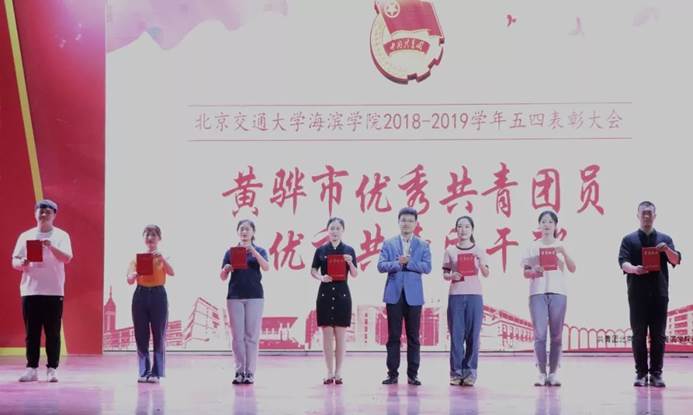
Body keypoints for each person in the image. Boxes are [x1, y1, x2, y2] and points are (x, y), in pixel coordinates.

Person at [618, 201, 681, 387]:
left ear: (655, 216)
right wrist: (634, 269)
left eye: (649, 213)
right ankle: (640, 374)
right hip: (637, 294)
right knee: (638, 335)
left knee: (658, 335)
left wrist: (666, 249)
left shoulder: (665, 239)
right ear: (637, 215)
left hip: (659, 294)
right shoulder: (629, 239)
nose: (646, 216)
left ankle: (656, 374)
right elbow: (623, 263)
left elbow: (676, 260)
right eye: (643, 213)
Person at [12, 199, 73, 383]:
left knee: (53, 333)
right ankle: (31, 369)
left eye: (48, 211)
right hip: (30, 290)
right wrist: (21, 263)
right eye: (41, 211)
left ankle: (52, 369)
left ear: (54, 215)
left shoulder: (61, 235)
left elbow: (67, 258)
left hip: (53, 291)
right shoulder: (25, 235)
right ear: (35, 213)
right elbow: (14, 261)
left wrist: (50, 246)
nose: (44, 214)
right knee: (32, 333)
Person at [378, 207, 431, 386]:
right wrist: (397, 263)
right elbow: (381, 266)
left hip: (414, 296)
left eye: (410, 220)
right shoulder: (389, 243)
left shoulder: (423, 245)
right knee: (393, 336)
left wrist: (410, 262)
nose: (406, 223)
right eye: (403, 220)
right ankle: (392, 374)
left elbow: (427, 267)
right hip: (394, 294)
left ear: (416, 223)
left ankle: (413, 374)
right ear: (398, 222)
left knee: (413, 337)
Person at [521, 210, 576, 387]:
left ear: (555, 225)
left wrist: (563, 252)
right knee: (539, 335)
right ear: (539, 225)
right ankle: (540, 372)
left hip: (558, 293)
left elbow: (573, 268)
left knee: (556, 335)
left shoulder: (561, 245)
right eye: (543, 221)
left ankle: (553, 373)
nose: (546, 225)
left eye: (550, 222)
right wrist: (534, 271)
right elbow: (525, 273)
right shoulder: (532, 247)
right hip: (537, 293)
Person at [220, 219, 270, 385]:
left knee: (252, 336)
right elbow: (222, 276)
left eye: (247, 229)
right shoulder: (231, 252)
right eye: (241, 229)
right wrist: (226, 269)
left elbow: (266, 267)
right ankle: (239, 371)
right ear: (237, 232)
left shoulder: (260, 250)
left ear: (253, 232)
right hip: (234, 296)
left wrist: (253, 252)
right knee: (237, 337)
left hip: (255, 296)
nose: (244, 232)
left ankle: (250, 372)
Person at [442, 216, 490, 386]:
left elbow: (486, 273)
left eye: (467, 226)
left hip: (474, 295)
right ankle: (455, 373)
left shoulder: (479, 250)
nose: (463, 230)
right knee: (456, 335)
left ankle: (470, 373)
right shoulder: (450, 251)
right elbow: (445, 273)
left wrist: (481, 264)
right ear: (456, 229)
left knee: (473, 335)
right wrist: (451, 276)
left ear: (472, 229)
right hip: (456, 294)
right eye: (460, 226)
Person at [310, 217, 358, 384]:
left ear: (343, 230)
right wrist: (321, 277)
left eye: (338, 228)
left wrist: (350, 263)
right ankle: (329, 372)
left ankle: (338, 373)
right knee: (327, 337)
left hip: (342, 295)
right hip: (324, 294)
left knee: (341, 337)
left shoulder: (349, 250)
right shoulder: (321, 250)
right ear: (327, 230)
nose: (335, 231)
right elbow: (313, 270)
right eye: (332, 228)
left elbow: (355, 274)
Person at [126, 224, 175, 383]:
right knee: (141, 335)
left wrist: (162, 259)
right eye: (147, 234)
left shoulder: (163, 256)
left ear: (159, 238)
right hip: (140, 295)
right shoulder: (137, 258)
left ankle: (157, 372)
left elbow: (172, 272)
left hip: (158, 295)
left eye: (153, 234)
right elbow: (129, 280)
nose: (150, 238)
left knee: (159, 334)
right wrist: (134, 274)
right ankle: (143, 371)